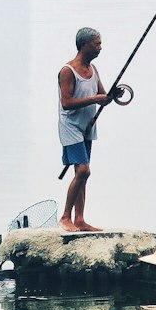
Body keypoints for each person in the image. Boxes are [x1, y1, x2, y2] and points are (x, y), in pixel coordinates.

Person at [58, 27, 113, 233]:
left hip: (87, 125)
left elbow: (103, 96)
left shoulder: (93, 70)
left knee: (83, 175)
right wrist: (96, 99)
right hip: (70, 126)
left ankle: (79, 219)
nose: (100, 48)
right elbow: (67, 103)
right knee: (83, 171)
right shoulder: (68, 71)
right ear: (85, 45)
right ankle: (65, 217)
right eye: (97, 44)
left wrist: (110, 97)